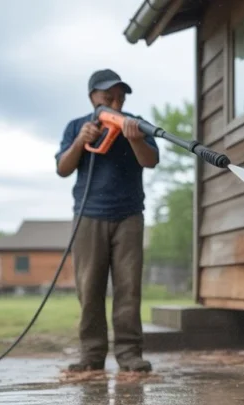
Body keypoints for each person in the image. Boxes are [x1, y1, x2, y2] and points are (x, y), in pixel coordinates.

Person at [55, 69, 160, 373]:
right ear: (93, 98)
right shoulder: (76, 126)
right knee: (89, 289)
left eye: (120, 97)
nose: (115, 102)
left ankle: (129, 354)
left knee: (128, 287)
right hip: (88, 216)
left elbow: (151, 161)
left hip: (129, 216)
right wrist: (79, 142)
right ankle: (91, 355)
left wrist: (136, 138)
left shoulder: (136, 124)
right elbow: (63, 168)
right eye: (108, 97)